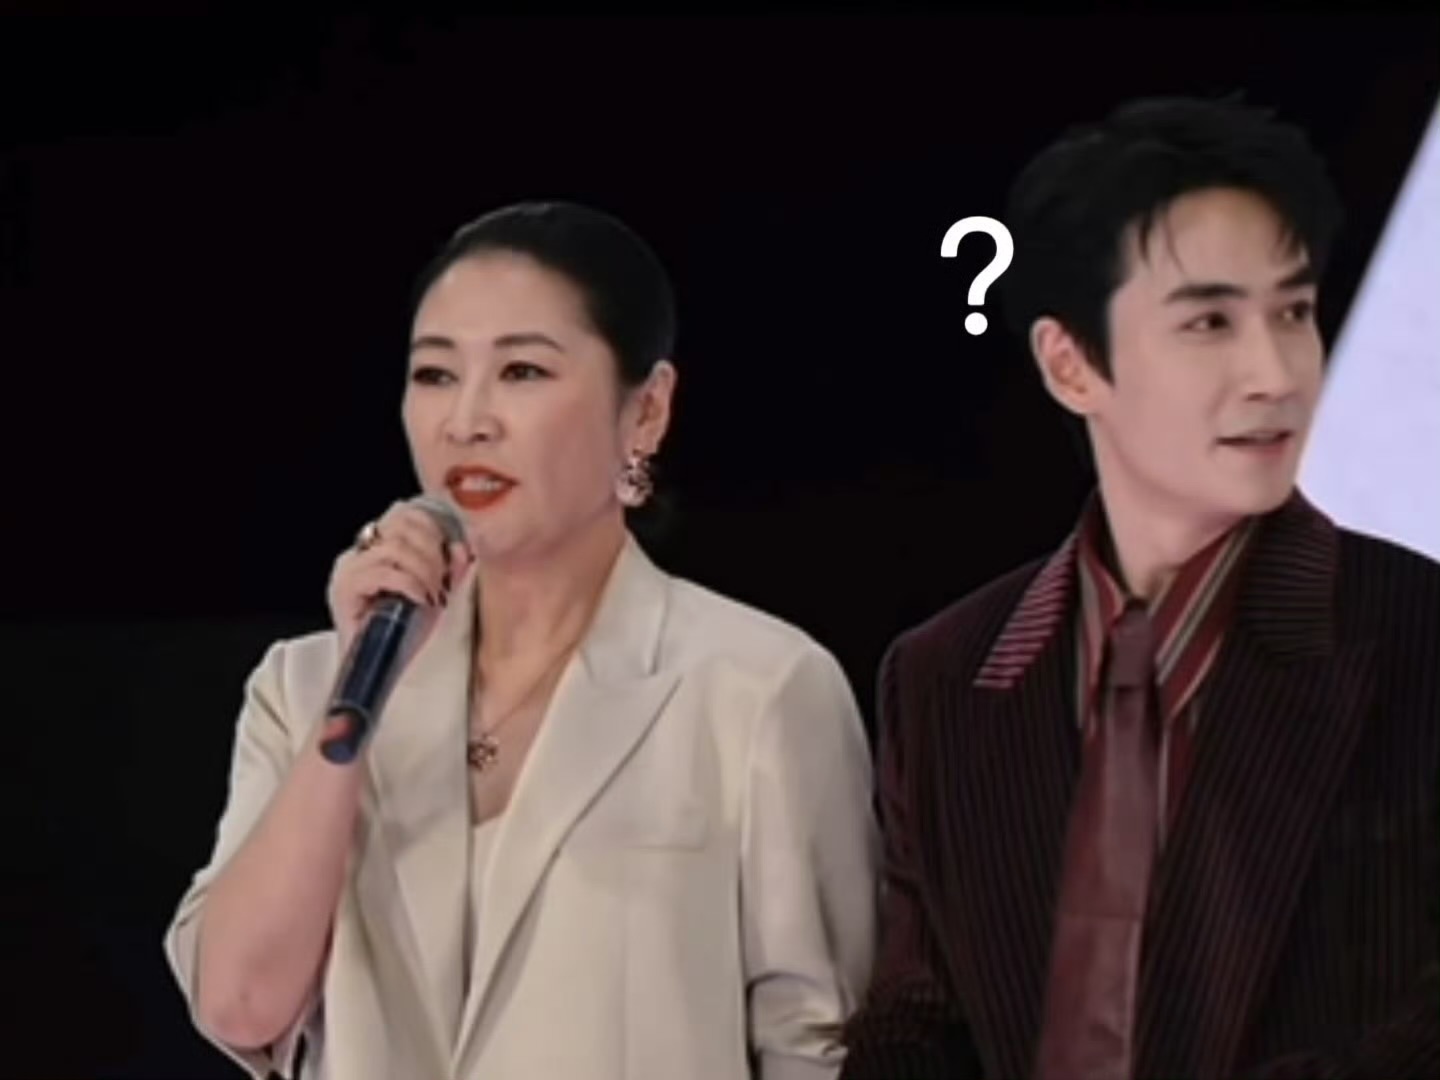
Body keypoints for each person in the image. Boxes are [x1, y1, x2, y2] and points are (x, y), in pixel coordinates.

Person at [165, 201, 879, 1080]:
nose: (466, 420)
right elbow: (238, 1003)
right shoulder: (308, 686)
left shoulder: (760, 686)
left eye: (523, 372)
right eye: (435, 375)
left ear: (646, 411)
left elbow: (820, 1046)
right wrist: (357, 690)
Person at [841, 96, 1440, 1079]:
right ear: (1072, 364)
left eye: (1293, 312)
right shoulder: (944, 673)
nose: (1275, 373)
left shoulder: (1415, 634)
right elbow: (916, 1017)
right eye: (1210, 321)